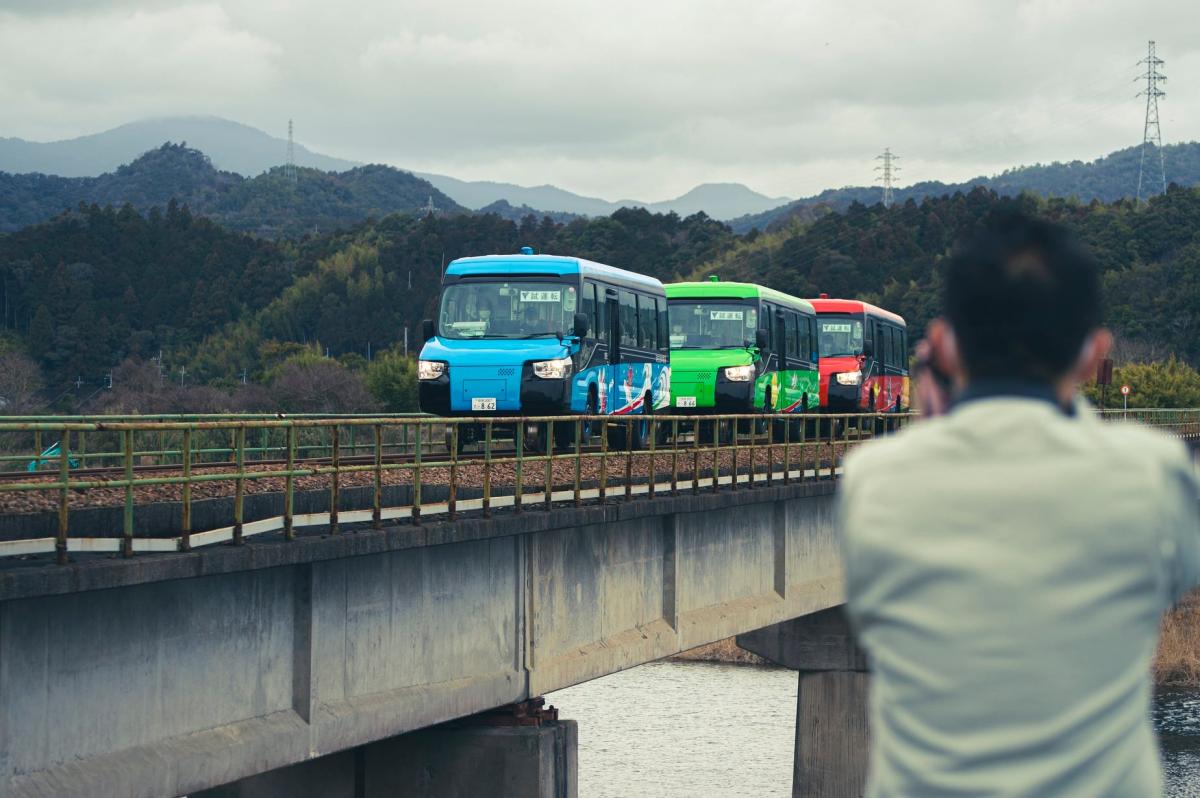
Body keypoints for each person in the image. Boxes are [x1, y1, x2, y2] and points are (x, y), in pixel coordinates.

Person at [838, 211, 1200, 797]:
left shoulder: (873, 480)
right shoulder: (1151, 472)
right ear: (1093, 354)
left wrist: (932, 432)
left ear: (946, 349)